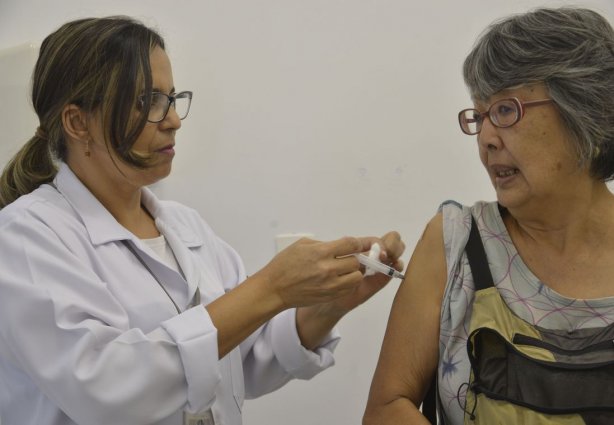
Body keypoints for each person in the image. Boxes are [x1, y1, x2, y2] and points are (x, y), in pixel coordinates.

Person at [0, 16, 405, 425]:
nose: (174, 120)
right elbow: (106, 388)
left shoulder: (184, 227)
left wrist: (326, 307)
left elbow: (242, 359)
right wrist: (271, 288)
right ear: (77, 122)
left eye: (172, 99)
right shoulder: (27, 237)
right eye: (147, 102)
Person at [363, 6, 614, 425]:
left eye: (506, 111)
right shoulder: (456, 241)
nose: (487, 139)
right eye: (479, 116)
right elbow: (387, 408)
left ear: (587, 113)